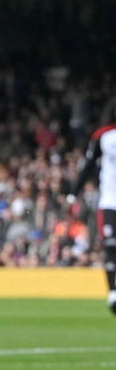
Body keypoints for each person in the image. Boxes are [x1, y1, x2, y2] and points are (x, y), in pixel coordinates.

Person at [76, 114, 116, 314]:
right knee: (110, 245)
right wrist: (74, 191)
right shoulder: (103, 136)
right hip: (110, 201)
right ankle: (113, 293)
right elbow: (89, 165)